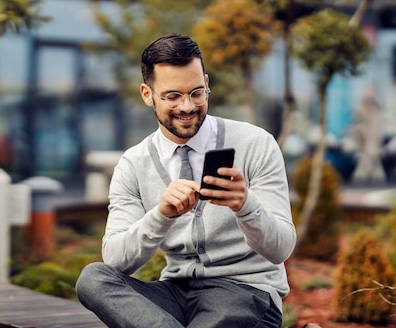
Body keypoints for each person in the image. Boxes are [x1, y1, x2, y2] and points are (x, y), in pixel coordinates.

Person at [76, 33, 296, 328]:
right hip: (176, 293)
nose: (187, 106)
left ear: (207, 83)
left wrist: (246, 205)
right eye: (172, 96)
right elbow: (116, 259)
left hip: (245, 292)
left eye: (196, 92)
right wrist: (161, 215)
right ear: (147, 94)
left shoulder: (256, 144)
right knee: (93, 279)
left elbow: (281, 248)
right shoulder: (133, 164)